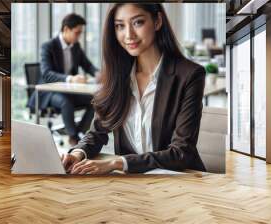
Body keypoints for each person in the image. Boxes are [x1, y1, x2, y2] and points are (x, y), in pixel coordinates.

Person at [61, 3, 207, 174]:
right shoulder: (118, 76)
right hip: (132, 184)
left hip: (180, 180)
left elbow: (181, 152)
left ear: (158, 21)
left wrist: (118, 163)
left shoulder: (190, 75)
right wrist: (78, 153)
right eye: (120, 26)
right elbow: (97, 132)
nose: (128, 35)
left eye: (138, 22)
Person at [28, 13, 100, 146]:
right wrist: (71, 79)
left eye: (80, 33)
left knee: (95, 100)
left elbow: (87, 65)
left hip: (69, 91)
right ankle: (74, 137)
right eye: (77, 33)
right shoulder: (48, 47)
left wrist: (98, 74)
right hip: (48, 92)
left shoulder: (76, 46)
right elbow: (47, 74)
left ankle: (78, 133)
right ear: (66, 29)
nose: (79, 36)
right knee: (66, 102)